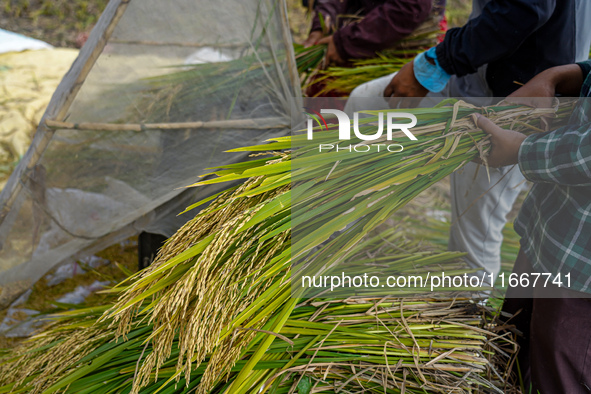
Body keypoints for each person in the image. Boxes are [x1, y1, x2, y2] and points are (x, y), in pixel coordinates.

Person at [344, 0, 591, 286]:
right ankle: (338, 233)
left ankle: (473, 317)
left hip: (512, 106)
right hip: (473, 80)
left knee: (473, 237)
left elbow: (521, 10)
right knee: (366, 101)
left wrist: (438, 61)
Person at [475, 60, 591, 393]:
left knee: (560, 375)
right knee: (509, 352)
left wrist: (522, 151)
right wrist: (557, 76)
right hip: (551, 231)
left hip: (582, 268)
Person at [303, 0, 445, 66]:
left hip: (404, 39)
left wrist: (346, 43)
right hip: (360, 26)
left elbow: (409, 7)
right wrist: (321, 25)